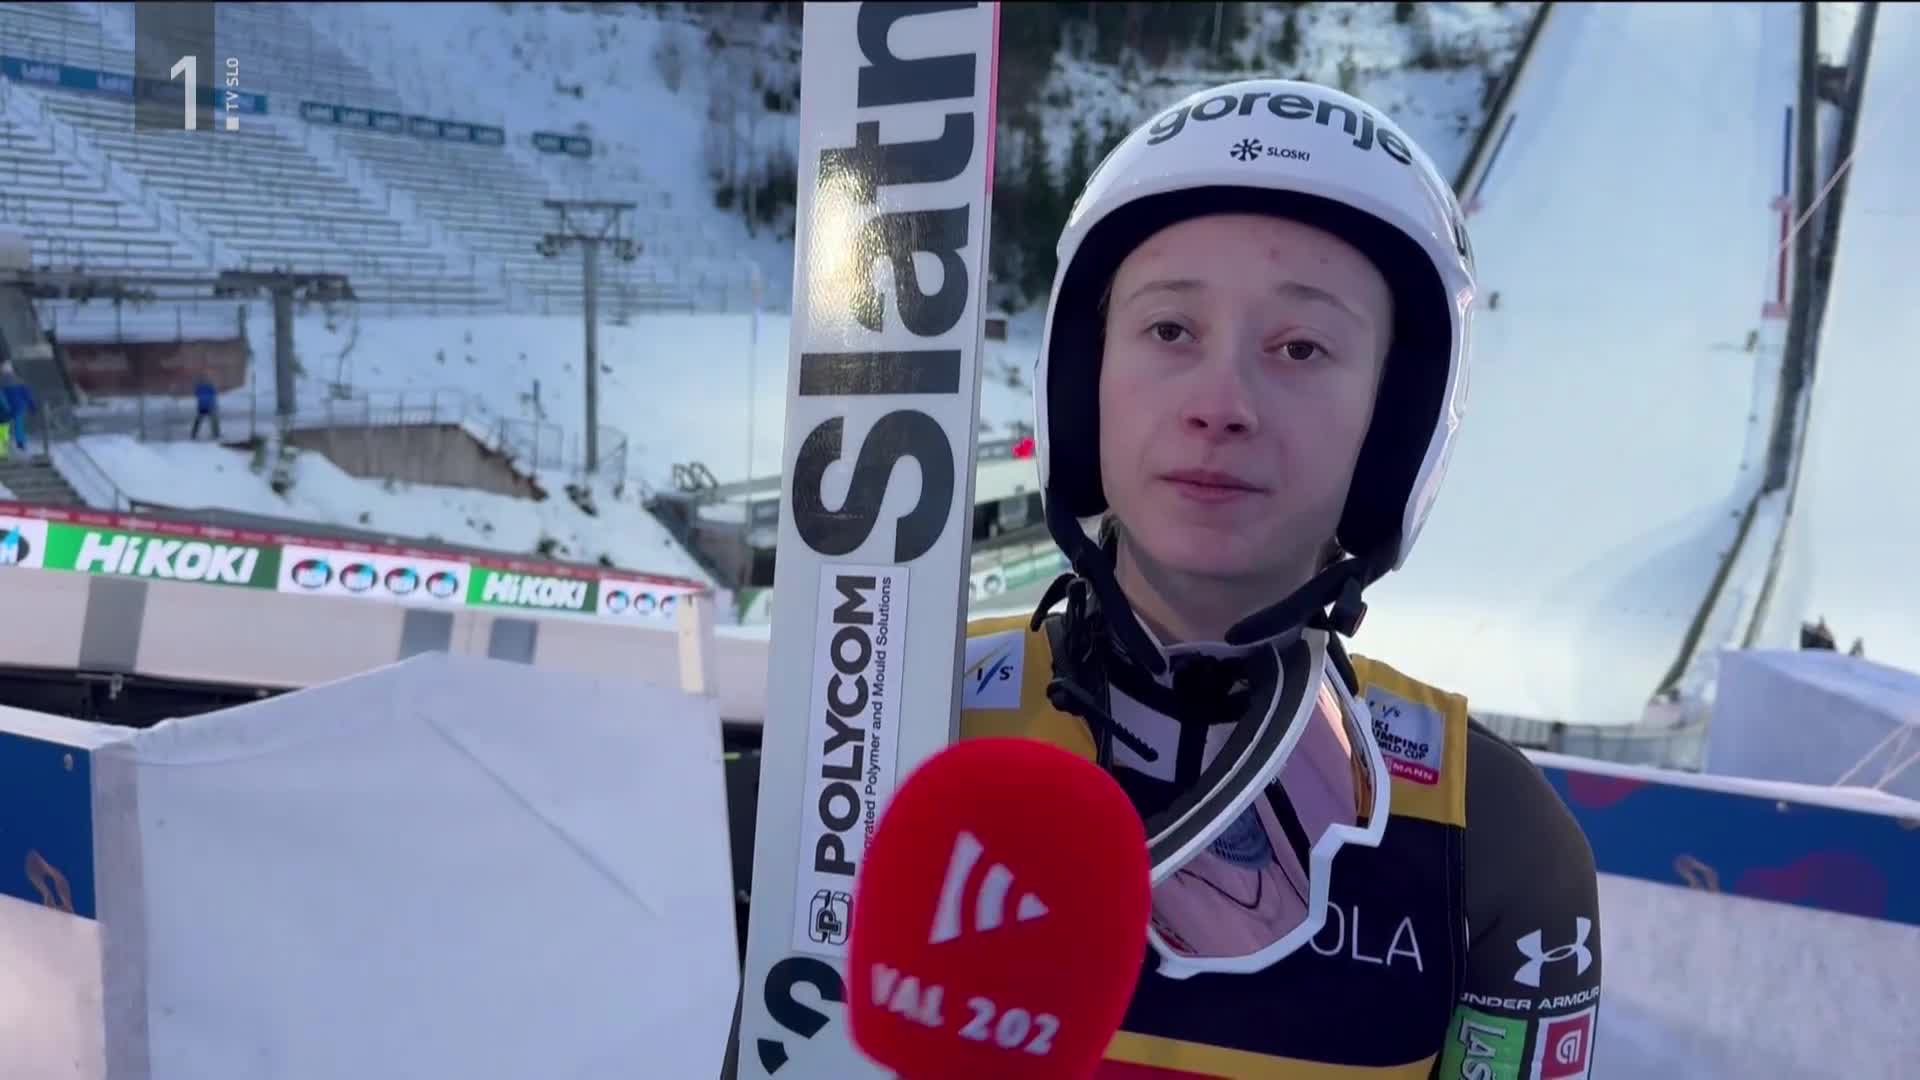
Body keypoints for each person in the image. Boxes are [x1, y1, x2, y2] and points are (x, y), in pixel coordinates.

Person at [958, 79, 1602, 1077]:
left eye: (1301, 347)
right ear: (1086, 379)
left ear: (1391, 427)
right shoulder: (887, 722)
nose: (1221, 403)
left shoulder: (1489, 839)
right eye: (1170, 330)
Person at [1, 365, 36, 455]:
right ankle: (20, 444)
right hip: (18, 407)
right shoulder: (20, 381)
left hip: (5, 408)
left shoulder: (1, 381)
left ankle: (3, 447)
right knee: (18, 425)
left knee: (4, 427)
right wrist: (32, 406)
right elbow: (27, 395)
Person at [191, 370, 221, 440]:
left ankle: (193, 434)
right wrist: (215, 405)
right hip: (209, 406)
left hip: (201, 406)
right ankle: (216, 434)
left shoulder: (199, 387)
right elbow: (213, 396)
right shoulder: (210, 387)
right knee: (213, 420)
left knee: (198, 420)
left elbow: (196, 394)